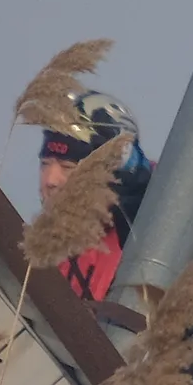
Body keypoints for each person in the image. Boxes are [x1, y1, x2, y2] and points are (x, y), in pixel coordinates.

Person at [34, 90, 151, 308]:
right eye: (45, 164)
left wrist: (133, 170)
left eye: (67, 167)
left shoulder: (139, 229)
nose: (50, 180)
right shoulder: (40, 251)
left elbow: (177, 206)